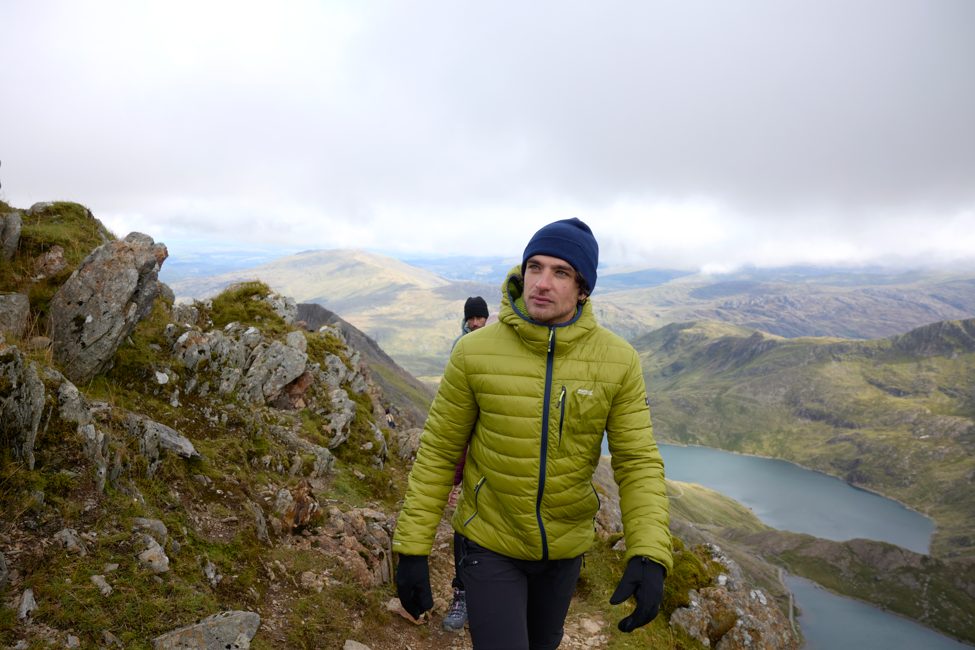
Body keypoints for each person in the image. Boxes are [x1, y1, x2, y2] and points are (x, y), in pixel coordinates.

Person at [393, 218, 671, 649]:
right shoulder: (473, 352)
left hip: (564, 551)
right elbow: (439, 452)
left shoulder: (619, 361)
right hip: (488, 541)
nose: (541, 283)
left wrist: (649, 552)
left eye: (561, 272)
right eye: (534, 267)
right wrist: (413, 548)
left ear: (583, 289)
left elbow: (637, 462)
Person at [442, 295, 491, 632]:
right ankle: (461, 594)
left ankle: (489, 597)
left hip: (497, 460)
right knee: (464, 526)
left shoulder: (499, 349)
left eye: (479, 318)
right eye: (471, 318)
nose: (475, 323)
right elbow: (457, 421)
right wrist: (454, 480)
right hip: (471, 454)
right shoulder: (461, 350)